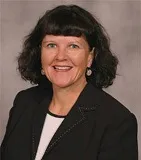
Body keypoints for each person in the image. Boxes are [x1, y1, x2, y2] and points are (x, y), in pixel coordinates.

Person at [0, 4, 138, 160]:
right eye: (51, 45)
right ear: (39, 53)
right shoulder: (24, 103)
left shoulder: (116, 122)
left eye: (73, 46)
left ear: (90, 56)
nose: (60, 56)